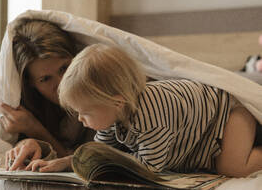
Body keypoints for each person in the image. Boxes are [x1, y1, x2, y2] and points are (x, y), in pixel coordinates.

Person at [26, 43, 262, 178]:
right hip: (206, 130)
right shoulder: (115, 113)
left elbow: (147, 168)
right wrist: (66, 162)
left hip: (231, 115)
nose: (80, 119)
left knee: (230, 168)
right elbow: (99, 152)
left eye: (84, 113)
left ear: (116, 102)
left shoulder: (153, 116)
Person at [0, 18, 95, 171]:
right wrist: (24, 145)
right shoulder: (28, 106)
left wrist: (36, 130)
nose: (62, 83)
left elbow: (93, 162)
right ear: (31, 83)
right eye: (45, 79)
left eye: (64, 68)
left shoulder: (101, 93)